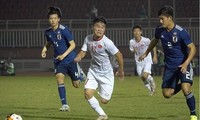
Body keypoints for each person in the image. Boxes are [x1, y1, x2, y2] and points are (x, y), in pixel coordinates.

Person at [139, 6, 197, 120]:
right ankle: (184, 84)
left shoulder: (181, 32)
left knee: (186, 89)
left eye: (162, 19)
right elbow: (155, 40)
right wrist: (146, 52)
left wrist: (186, 63)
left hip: (183, 65)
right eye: (159, 19)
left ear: (169, 18)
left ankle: (193, 114)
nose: (160, 21)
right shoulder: (159, 30)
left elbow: (193, 48)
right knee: (167, 94)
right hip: (169, 67)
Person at [74, 16, 124, 120]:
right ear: (93, 27)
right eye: (97, 26)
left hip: (106, 74)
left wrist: (121, 70)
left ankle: (100, 90)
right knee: (87, 93)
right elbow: (83, 51)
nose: (100, 29)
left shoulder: (107, 42)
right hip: (93, 71)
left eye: (102, 27)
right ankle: (102, 115)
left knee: (104, 101)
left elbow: (119, 55)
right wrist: (79, 56)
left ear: (104, 29)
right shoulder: (88, 38)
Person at [41, 6, 85, 112]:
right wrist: (44, 49)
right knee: (59, 78)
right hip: (58, 61)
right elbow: (49, 42)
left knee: (76, 85)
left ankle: (81, 75)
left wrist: (64, 55)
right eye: (51, 18)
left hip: (70, 59)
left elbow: (73, 45)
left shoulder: (64, 30)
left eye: (55, 18)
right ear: (48, 19)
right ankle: (65, 105)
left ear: (58, 19)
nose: (53, 20)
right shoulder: (48, 32)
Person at [129, 24, 157, 95]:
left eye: (138, 31)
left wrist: (155, 56)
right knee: (142, 77)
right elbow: (131, 49)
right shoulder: (131, 41)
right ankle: (150, 89)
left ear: (141, 32)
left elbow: (153, 46)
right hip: (138, 61)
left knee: (145, 75)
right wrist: (134, 50)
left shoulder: (146, 40)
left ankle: (152, 82)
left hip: (147, 59)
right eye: (135, 31)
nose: (136, 32)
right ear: (133, 32)